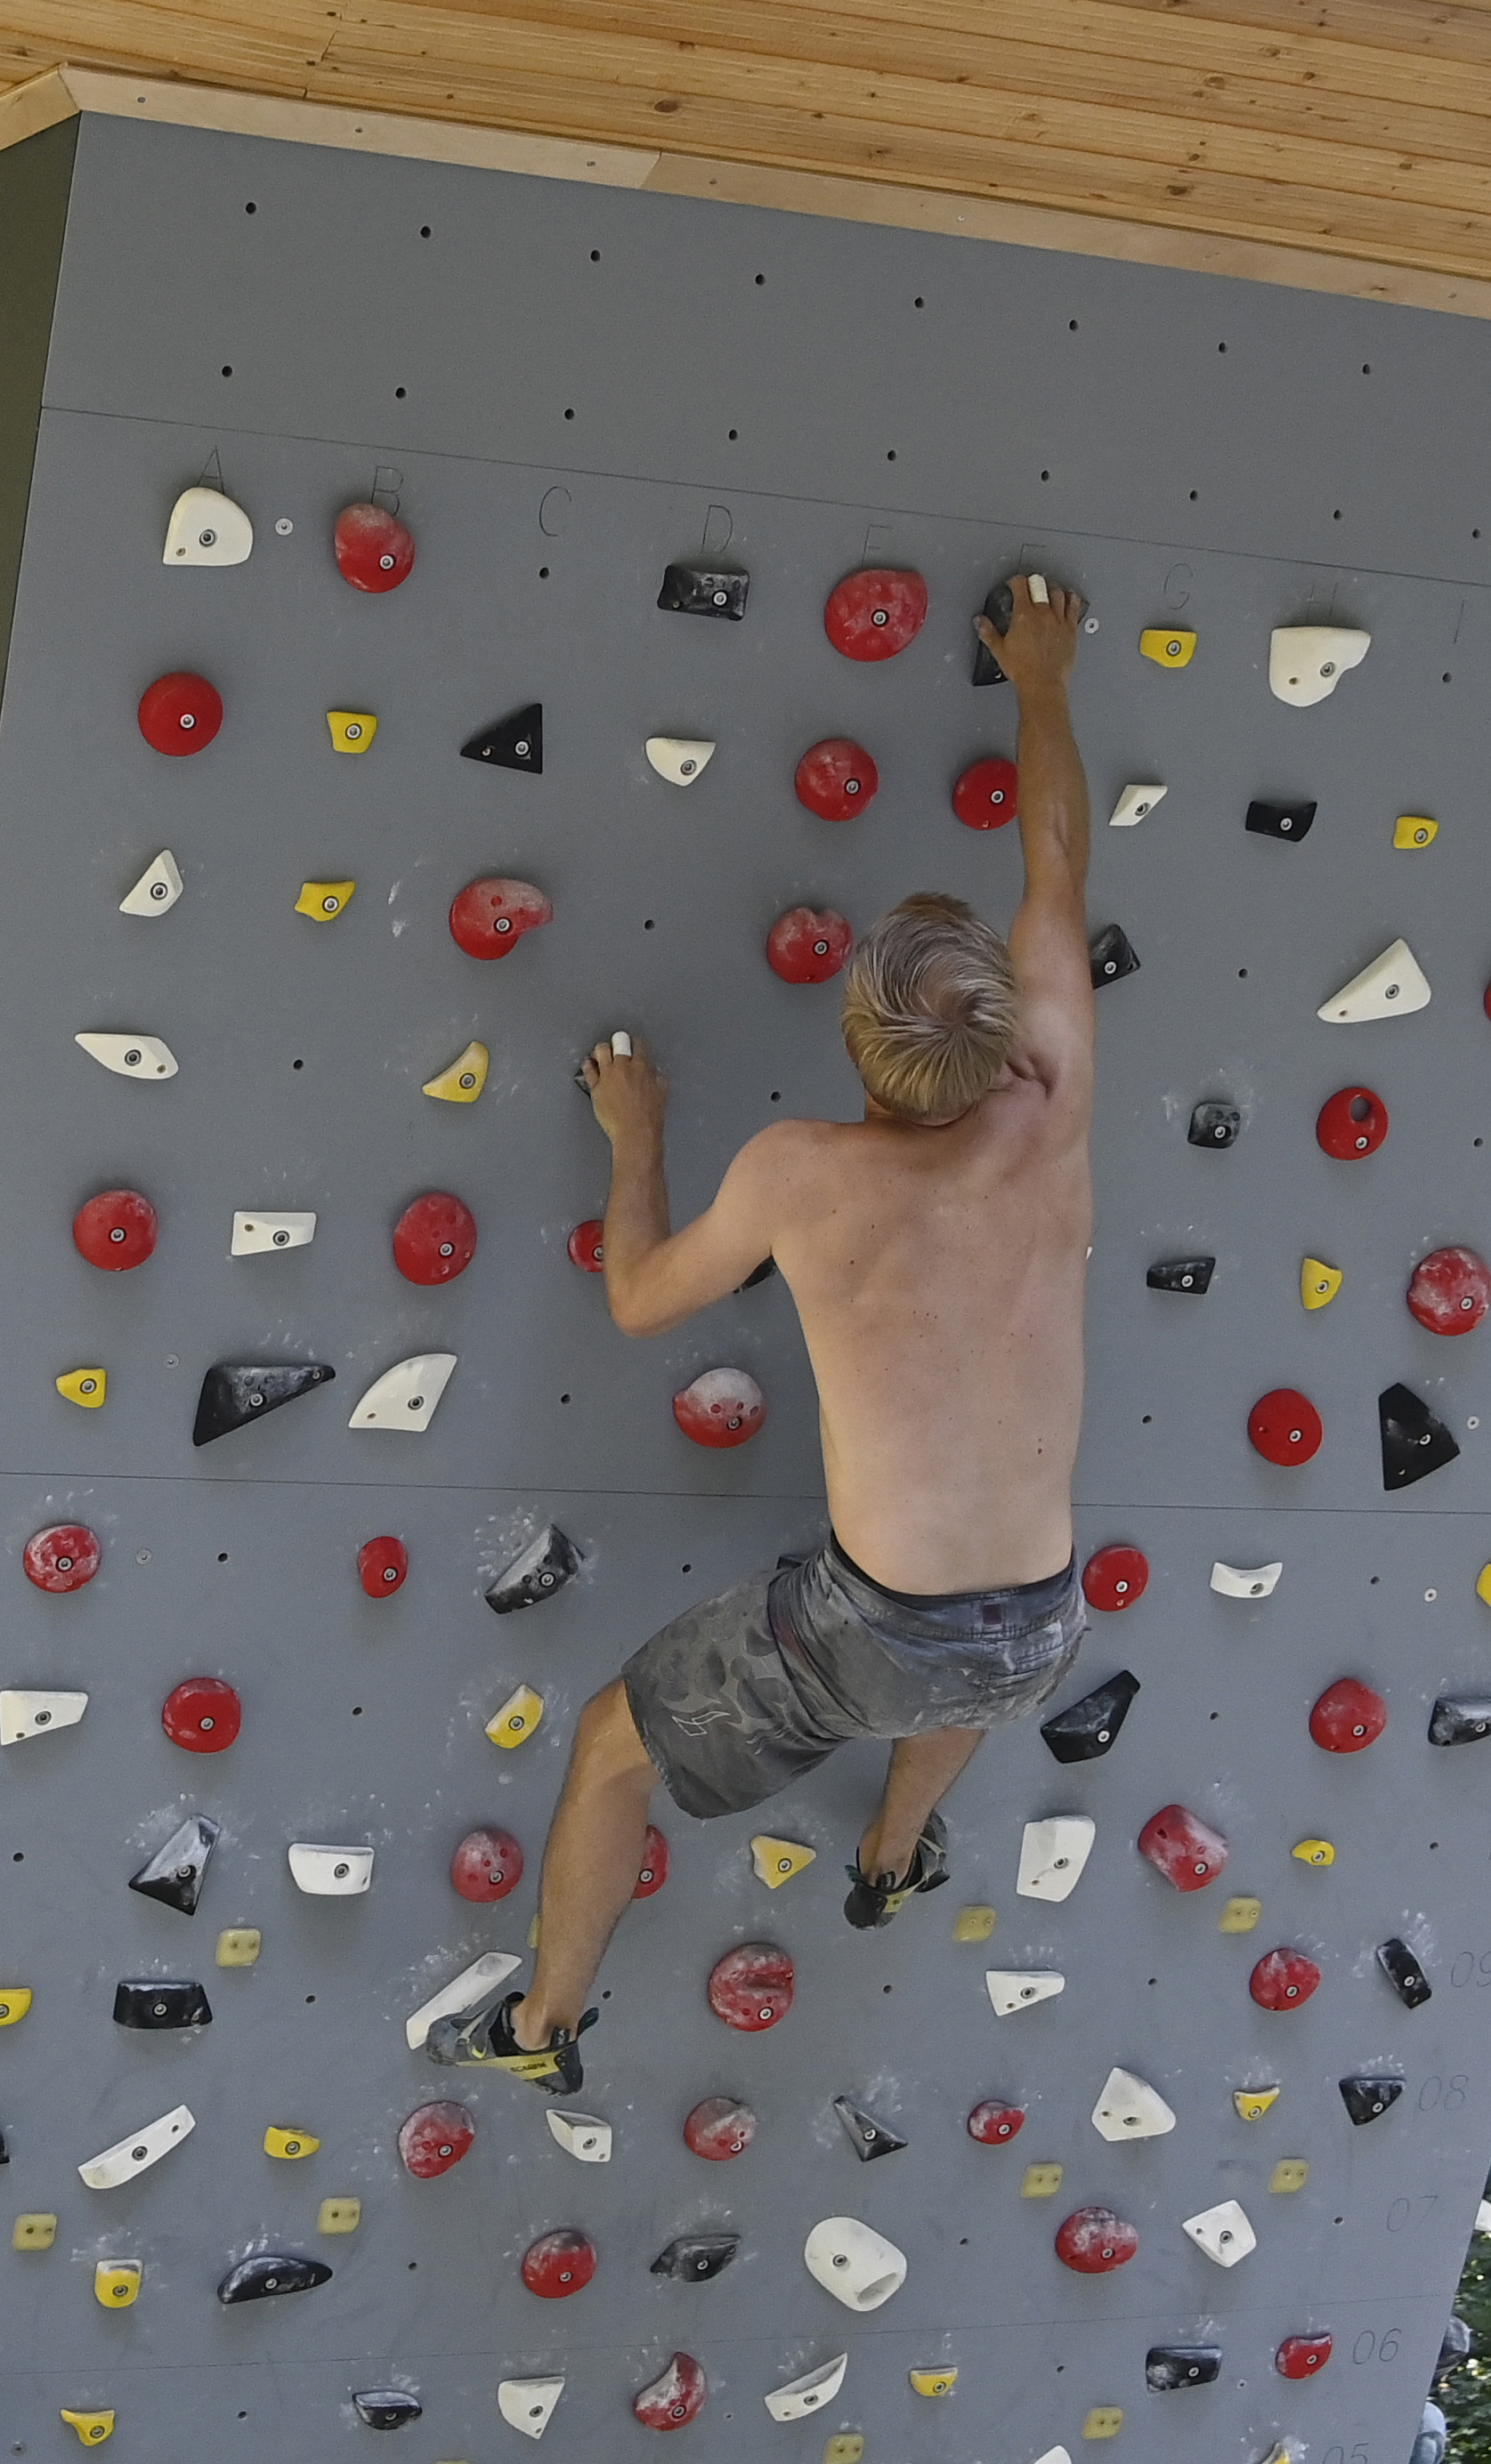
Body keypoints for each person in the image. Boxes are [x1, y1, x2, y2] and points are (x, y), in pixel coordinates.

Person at [429, 573, 1100, 2095]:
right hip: (1043, 1626)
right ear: (1001, 1040)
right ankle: (888, 1853)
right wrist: (1041, 680)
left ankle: (541, 2030)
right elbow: (1055, 867)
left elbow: (639, 1293)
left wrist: (636, 1129)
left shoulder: (804, 1171)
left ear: (859, 1049)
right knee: (978, 1668)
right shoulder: (1051, 1114)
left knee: (610, 1739)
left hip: (873, 1635)